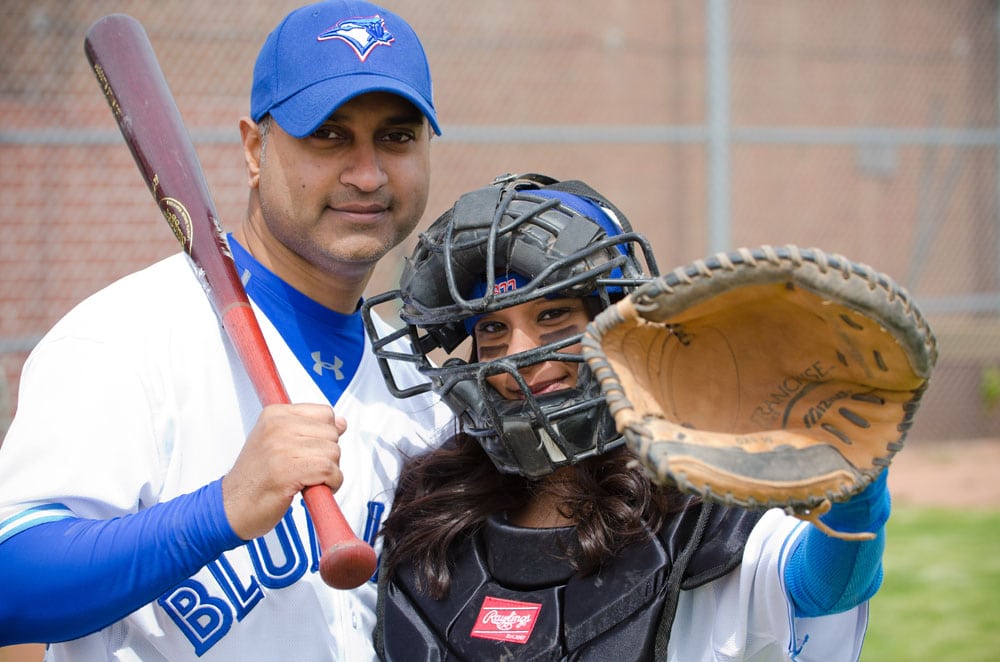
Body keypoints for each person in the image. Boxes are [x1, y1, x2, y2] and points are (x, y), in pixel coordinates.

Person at [0, 1, 454, 659]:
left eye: (397, 136)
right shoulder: (125, 342)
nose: (367, 173)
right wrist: (219, 511)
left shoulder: (425, 384)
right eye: (328, 134)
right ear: (253, 149)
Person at [362, 173, 889, 661]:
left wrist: (856, 497)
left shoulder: (692, 496)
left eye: (552, 315)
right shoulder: (432, 505)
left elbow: (821, 584)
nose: (518, 354)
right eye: (492, 330)